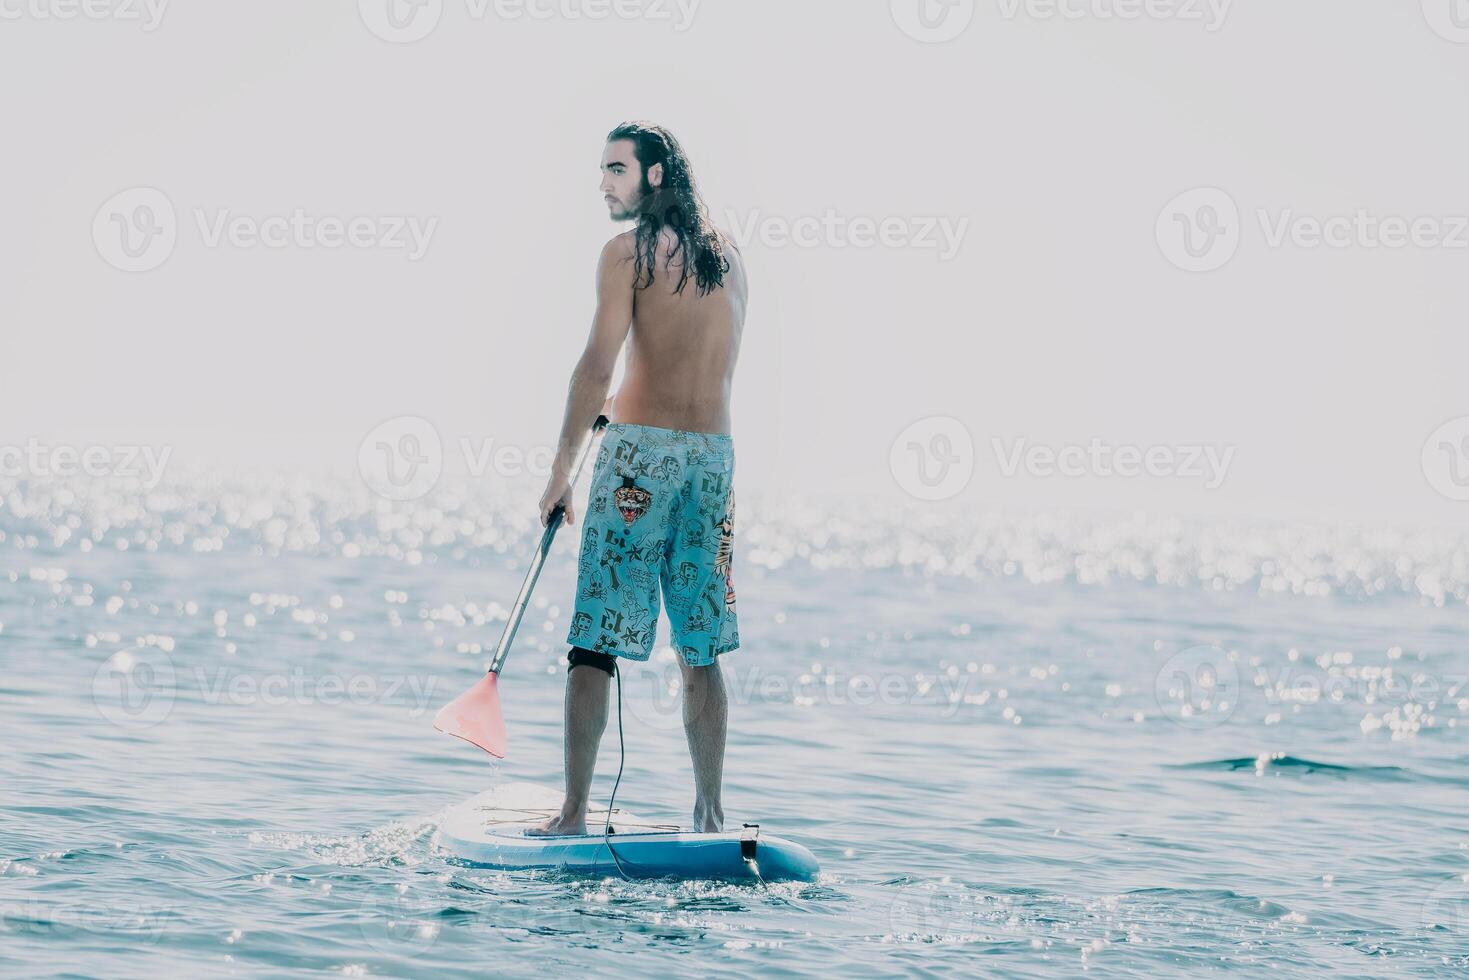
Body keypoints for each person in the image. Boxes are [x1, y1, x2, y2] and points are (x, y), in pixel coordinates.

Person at [527, 122, 748, 836]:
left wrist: (560, 475)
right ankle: (709, 812)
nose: (603, 184)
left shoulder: (627, 254)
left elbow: (597, 366)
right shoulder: (730, 257)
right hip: (712, 461)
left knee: (594, 643)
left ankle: (574, 813)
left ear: (655, 174)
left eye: (616, 169)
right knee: (699, 645)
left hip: (638, 464)